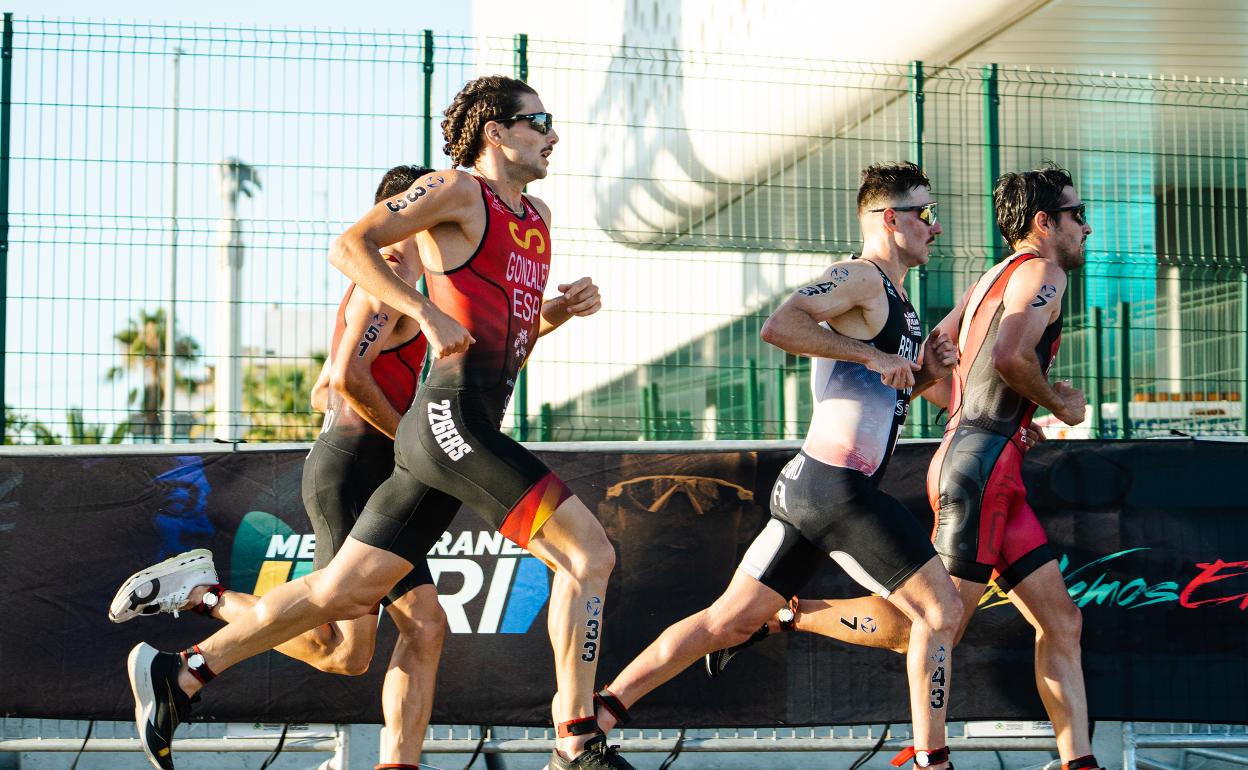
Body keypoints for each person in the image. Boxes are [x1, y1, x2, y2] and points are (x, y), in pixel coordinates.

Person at [125, 75, 628, 770]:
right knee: (588, 554)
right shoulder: (456, 191)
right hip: (447, 426)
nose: (553, 134)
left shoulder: (536, 219)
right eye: (538, 119)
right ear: (495, 131)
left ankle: (182, 674)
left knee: (346, 599)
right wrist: (421, 310)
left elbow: (503, 346)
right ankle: (577, 740)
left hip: (444, 435)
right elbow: (348, 246)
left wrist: (554, 315)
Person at [710, 163, 1102, 770]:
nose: (1088, 226)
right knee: (925, 623)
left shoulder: (990, 280)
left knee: (1063, 620)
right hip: (981, 470)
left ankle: (1080, 762)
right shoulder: (1044, 272)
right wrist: (1058, 402)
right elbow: (1008, 355)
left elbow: (938, 362)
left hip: (994, 467)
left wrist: (950, 396)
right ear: (1043, 223)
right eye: (1078, 215)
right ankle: (914, 742)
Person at [588, 162, 963, 770]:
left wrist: (926, 374)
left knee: (728, 622)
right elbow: (780, 324)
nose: (935, 226)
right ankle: (933, 761)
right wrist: (873, 356)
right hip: (836, 489)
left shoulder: (897, 300)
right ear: (890, 220)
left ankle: (592, 721)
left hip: (815, 488)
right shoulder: (858, 278)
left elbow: (881, 396)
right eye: (925, 213)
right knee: (941, 612)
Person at [112, 165, 459, 767]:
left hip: (373, 472)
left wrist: (549, 314)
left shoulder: (405, 278)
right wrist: (409, 441)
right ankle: (191, 637)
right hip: (355, 472)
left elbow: (336, 376)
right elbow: (349, 378)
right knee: (360, 640)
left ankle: (202, 604)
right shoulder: (392, 274)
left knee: (398, 635)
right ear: (408, 211)